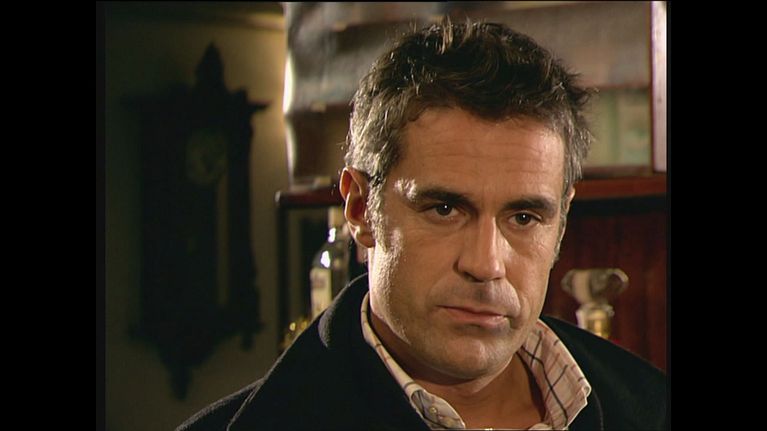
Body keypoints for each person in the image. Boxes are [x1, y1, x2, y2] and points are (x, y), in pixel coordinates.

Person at [178, 18, 667, 431]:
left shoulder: (649, 407)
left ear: (561, 222)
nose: (486, 264)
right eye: (445, 210)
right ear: (360, 209)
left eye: (523, 217)